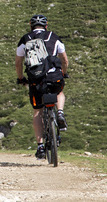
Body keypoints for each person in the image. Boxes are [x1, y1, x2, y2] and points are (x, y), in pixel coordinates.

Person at [15, 14, 69, 159]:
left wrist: (21, 78)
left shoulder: (25, 39)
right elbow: (64, 59)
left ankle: (40, 146)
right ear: (46, 26)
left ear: (31, 26)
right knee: (59, 92)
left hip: (36, 79)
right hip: (54, 76)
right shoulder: (54, 36)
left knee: (38, 111)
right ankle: (60, 112)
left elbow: (18, 63)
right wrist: (63, 73)